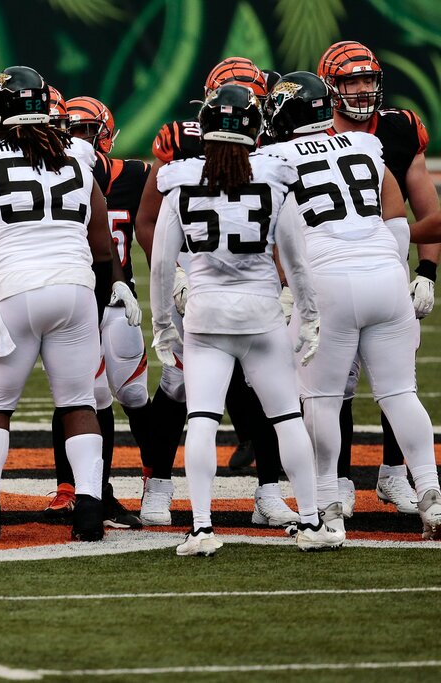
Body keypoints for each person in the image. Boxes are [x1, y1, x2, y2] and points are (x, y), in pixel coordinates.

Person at [151, 83, 342, 555]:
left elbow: (160, 265)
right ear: (256, 128)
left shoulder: (179, 183)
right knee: (286, 419)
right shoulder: (276, 180)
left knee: (200, 419)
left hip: (206, 316)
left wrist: (161, 325)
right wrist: (311, 316)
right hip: (260, 315)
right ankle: (314, 521)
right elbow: (296, 263)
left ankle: (201, 529)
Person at [261, 72, 441, 540]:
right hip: (384, 275)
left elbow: (269, 232)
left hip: (326, 281)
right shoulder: (363, 144)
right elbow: (395, 211)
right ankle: (432, 495)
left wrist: (284, 284)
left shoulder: (270, 157)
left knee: (319, 399)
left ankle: (326, 511)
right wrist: (396, 266)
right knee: (400, 393)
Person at [0, 65, 112, 543]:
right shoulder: (80, 154)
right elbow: (102, 248)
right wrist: (92, 306)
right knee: (78, 402)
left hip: (10, 290)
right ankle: (88, 509)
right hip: (75, 286)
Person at [135, 57, 300, 530]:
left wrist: (285, 282)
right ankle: (158, 485)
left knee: (260, 386)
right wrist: (177, 277)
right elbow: (151, 222)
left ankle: (268, 490)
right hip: (199, 275)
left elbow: (284, 231)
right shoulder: (181, 140)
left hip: (254, 283)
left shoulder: (273, 145)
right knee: (177, 384)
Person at [316, 41, 439, 518]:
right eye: (353, 80)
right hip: (338, 272)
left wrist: (425, 271)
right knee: (339, 385)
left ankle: (392, 474)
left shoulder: (398, 129)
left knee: (394, 379)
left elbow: (430, 214)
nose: (364, 89)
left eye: (370, 79)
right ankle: (342, 480)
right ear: (330, 88)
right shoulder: (310, 132)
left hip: (379, 270)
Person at [48, 95, 147, 529]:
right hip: (74, 298)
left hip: (116, 298)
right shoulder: (48, 175)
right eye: (72, 130)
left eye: (87, 130)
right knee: (82, 395)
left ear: (105, 135)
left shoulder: (136, 175)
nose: (79, 140)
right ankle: (76, 490)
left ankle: (155, 479)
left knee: (135, 395)